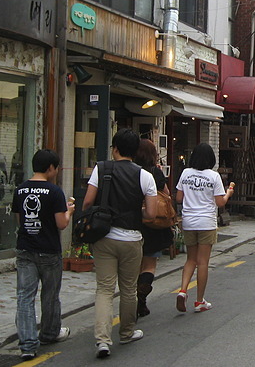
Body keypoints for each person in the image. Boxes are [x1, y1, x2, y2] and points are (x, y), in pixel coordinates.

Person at [83, 128, 157, 359]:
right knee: (128, 289)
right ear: (135, 151)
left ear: (114, 148)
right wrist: (137, 215)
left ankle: (103, 340)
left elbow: (87, 203)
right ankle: (126, 332)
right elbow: (152, 214)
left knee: (104, 289)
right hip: (131, 238)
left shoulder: (101, 169)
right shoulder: (145, 176)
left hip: (104, 237)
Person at [12, 149, 75, 361]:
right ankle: (49, 333)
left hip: (25, 249)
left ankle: (28, 344)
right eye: (56, 167)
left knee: (24, 297)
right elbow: (62, 223)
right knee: (49, 294)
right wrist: (69, 211)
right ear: (50, 168)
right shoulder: (55, 192)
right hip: (49, 249)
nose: (57, 171)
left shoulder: (20, 190)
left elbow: (20, 221)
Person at [175, 143, 234, 313]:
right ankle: (199, 301)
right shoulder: (213, 176)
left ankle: (183, 290)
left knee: (190, 260)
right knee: (203, 263)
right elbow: (220, 202)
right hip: (206, 222)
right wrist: (229, 192)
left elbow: (179, 197)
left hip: (189, 221)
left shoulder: (185, 173)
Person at [133, 138, 173, 317]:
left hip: (133, 223)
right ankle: (141, 298)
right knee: (149, 265)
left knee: (133, 267)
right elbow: (167, 195)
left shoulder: (130, 171)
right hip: (153, 225)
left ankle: (132, 299)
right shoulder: (155, 173)